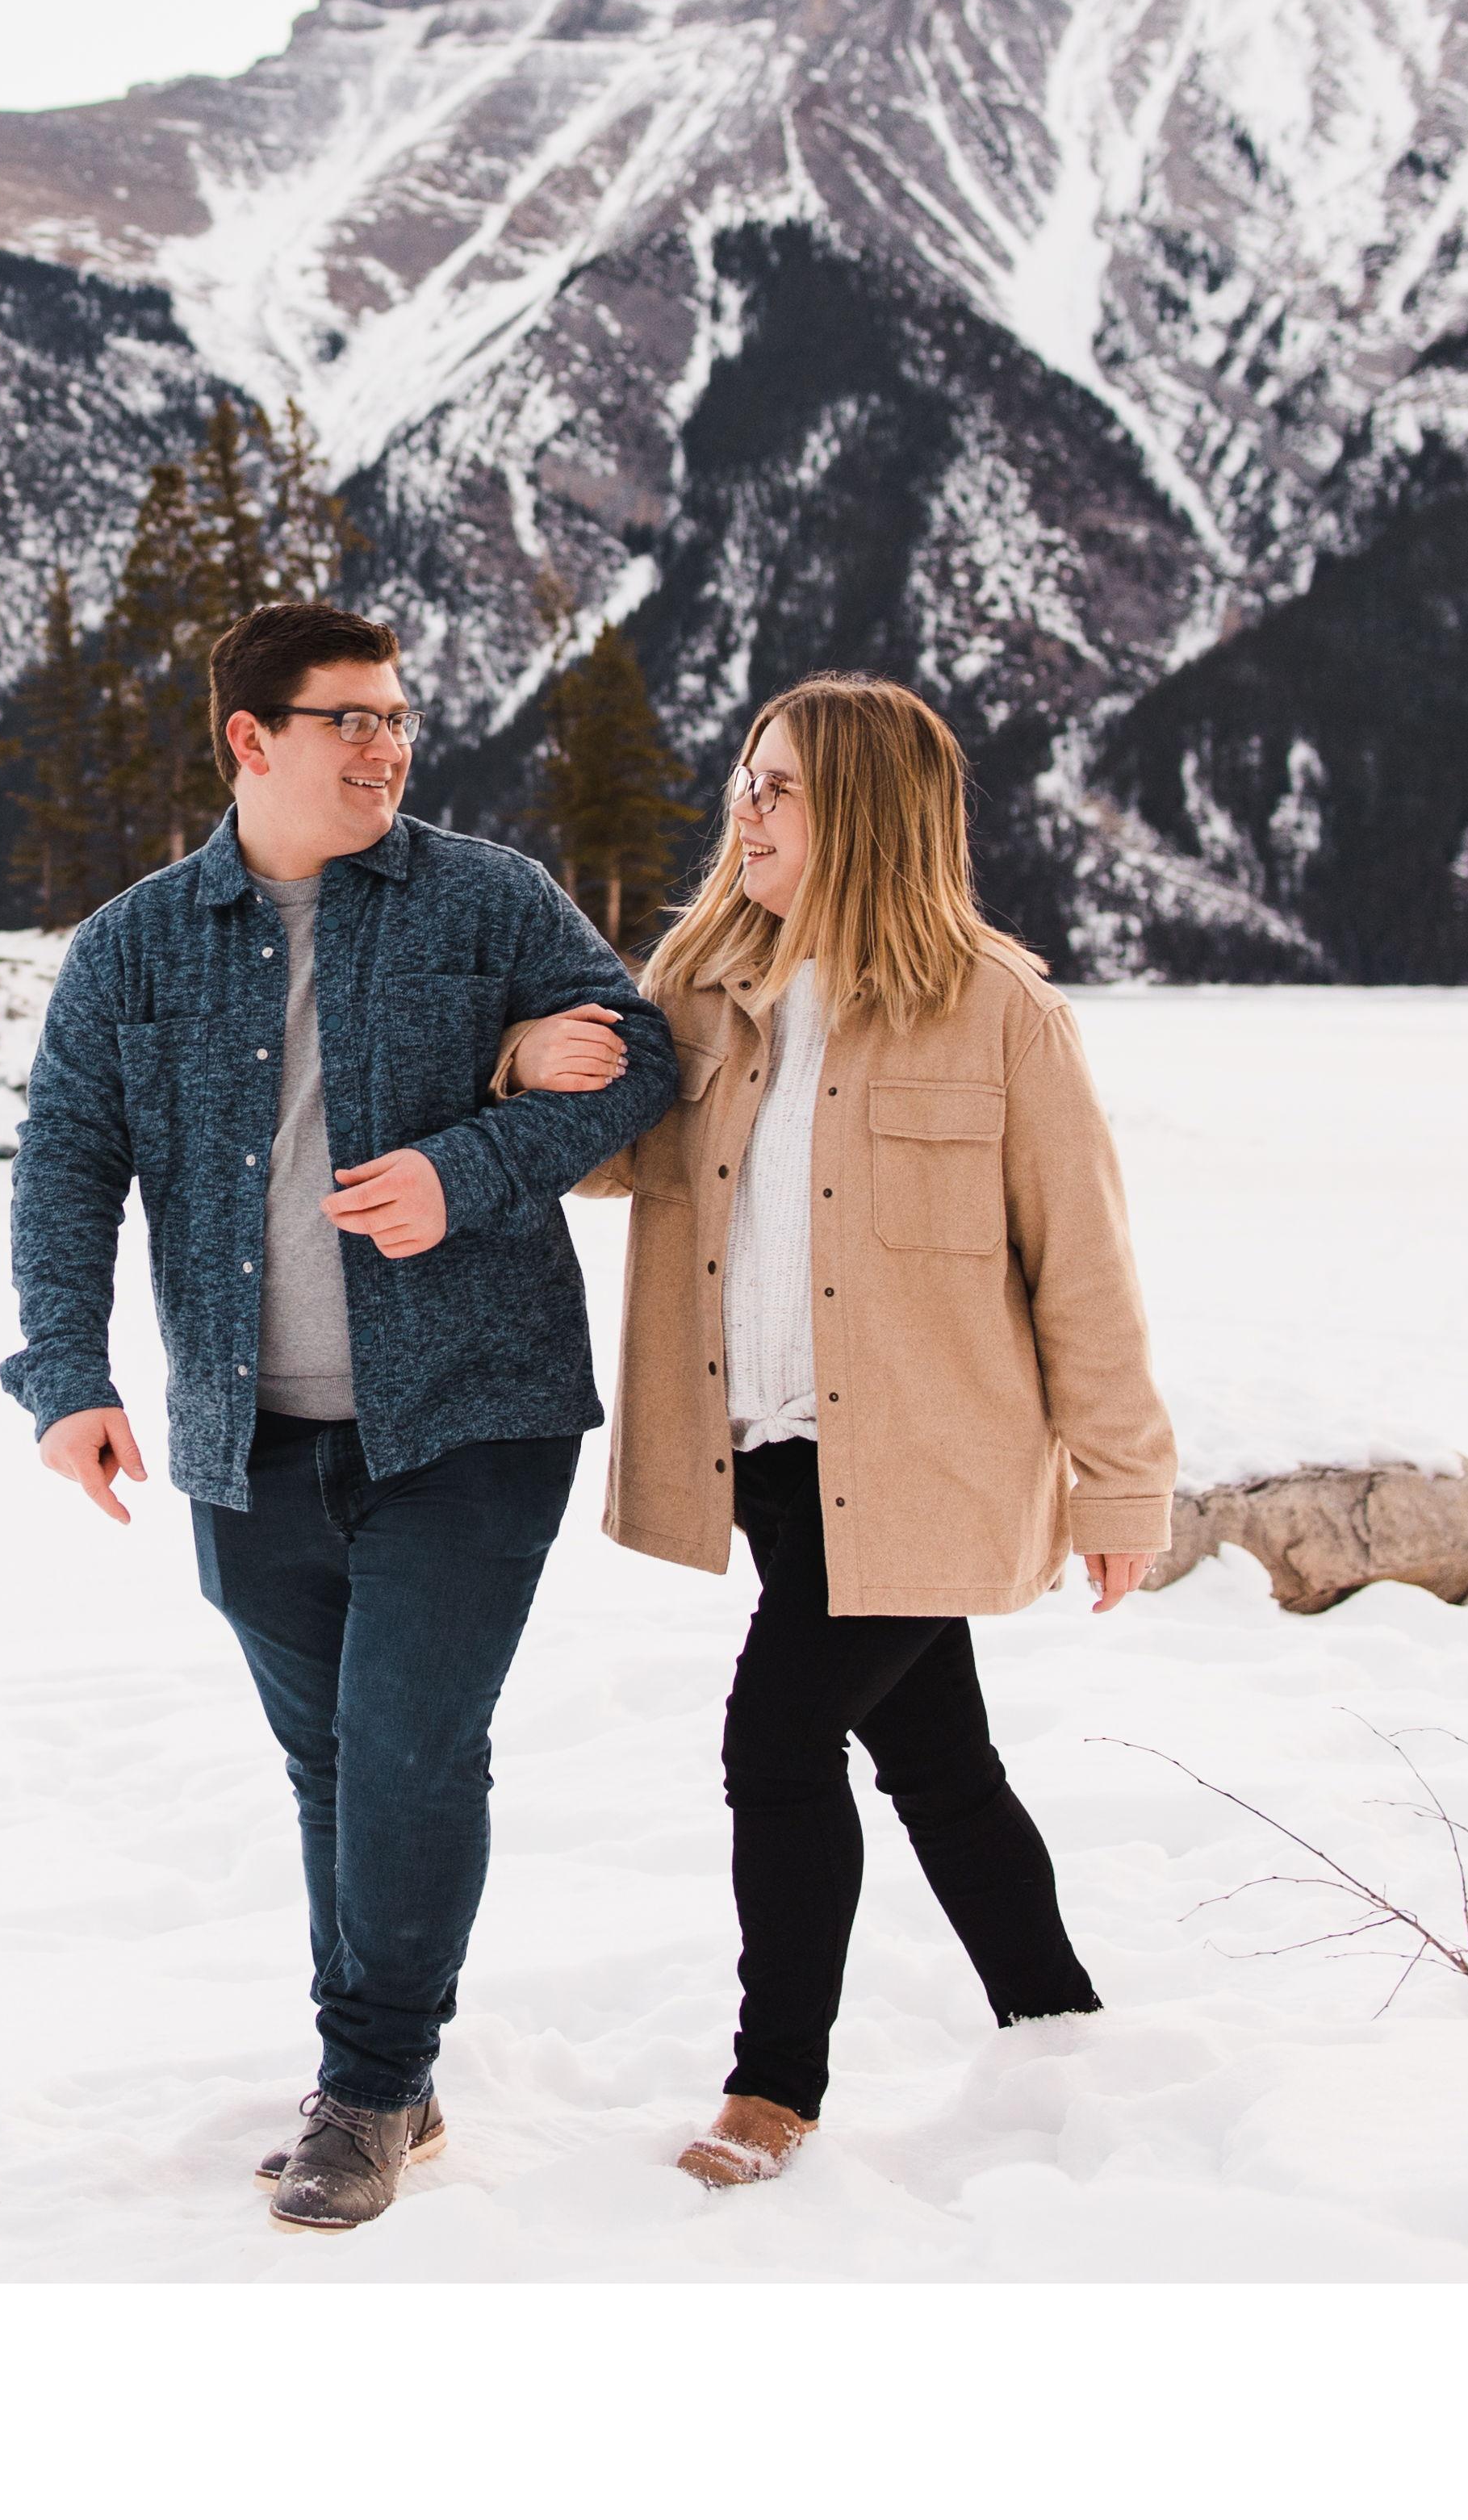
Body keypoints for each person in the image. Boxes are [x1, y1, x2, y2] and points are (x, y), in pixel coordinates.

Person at [3, 598, 679, 2232]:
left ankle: (368, 2086)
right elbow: (67, 1162)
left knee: (406, 1748)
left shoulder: (487, 897)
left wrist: (470, 1167)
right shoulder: (135, 945)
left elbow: (644, 1059)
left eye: (397, 717)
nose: (386, 747)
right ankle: (390, 2062)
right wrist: (66, 1375)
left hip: (473, 1415)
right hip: (247, 1437)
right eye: (350, 720)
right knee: (330, 1767)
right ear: (252, 739)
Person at [496, 671, 1171, 2190]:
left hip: (937, 1465)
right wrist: (530, 1065)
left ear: (863, 812)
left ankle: (773, 2088)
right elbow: (602, 1161)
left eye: (780, 787)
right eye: (746, 778)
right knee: (941, 1763)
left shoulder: (1001, 1013)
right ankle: (1057, 2025)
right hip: (770, 1463)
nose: (744, 809)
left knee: (779, 1738)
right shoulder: (700, 984)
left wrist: (1124, 1489)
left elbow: (1084, 1269)